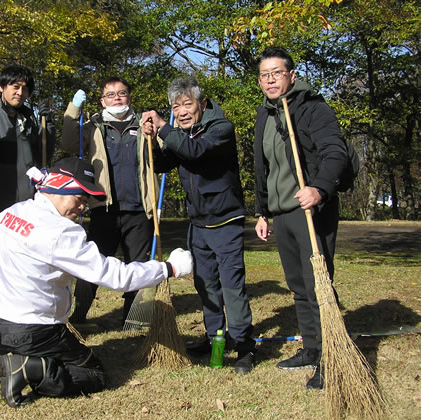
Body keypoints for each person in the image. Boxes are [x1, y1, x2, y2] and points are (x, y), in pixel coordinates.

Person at [0, 157, 192, 407]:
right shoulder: (60, 231)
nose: (83, 207)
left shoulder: (11, 212)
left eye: (86, 202)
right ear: (59, 187)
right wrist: (169, 268)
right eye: (79, 198)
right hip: (29, 330)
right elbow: (116, 276)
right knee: (93, 374)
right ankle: (28, 367)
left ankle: (18, 358)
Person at [251, 47, 354, 390]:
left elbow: (334, 153)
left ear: (291, 76)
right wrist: (263, 211)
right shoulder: (264, 115)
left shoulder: (313, 108)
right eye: (264, 75)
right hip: (281, 214)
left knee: (317, 285)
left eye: (276, 73)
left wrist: (320, 189)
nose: (270, 80)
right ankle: (311, 348)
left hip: (310, 209)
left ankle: (332, 356)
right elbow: (263, 168)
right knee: (298, 286)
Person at [140, 77, 255, 373]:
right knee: (206, 286)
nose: (181, 111)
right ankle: (214, 336)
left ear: (202, 105)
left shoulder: (221, 129)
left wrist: (164, 127)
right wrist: (152, 139)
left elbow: (195, 152)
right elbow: (163, 164)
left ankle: (244, 345)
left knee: (232, 286)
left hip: (226, 220)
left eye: (187, 104)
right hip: (199, 223)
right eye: (176, 106)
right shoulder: (180, 133)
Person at [60, 77, 156, 325]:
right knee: (91, 265)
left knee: (139, 265)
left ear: (129, 97)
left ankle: (133, 319)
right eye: (110, 95)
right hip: (104, 208)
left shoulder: (144, 125)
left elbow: (163, 153)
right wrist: (74, 109)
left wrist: (154, 134)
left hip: (139, 210)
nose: (117, 98)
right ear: (102, 100)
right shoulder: (93, 126)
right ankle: (78, 315)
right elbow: (69, 143)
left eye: (121, 93)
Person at [0, 64, 51, 269]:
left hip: (26, 205)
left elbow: (44, 156)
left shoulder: (30, 120)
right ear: (1, 87)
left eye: (25, 88)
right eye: (15, 86)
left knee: (24, 264)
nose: (20, 92)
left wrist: (49, 124)